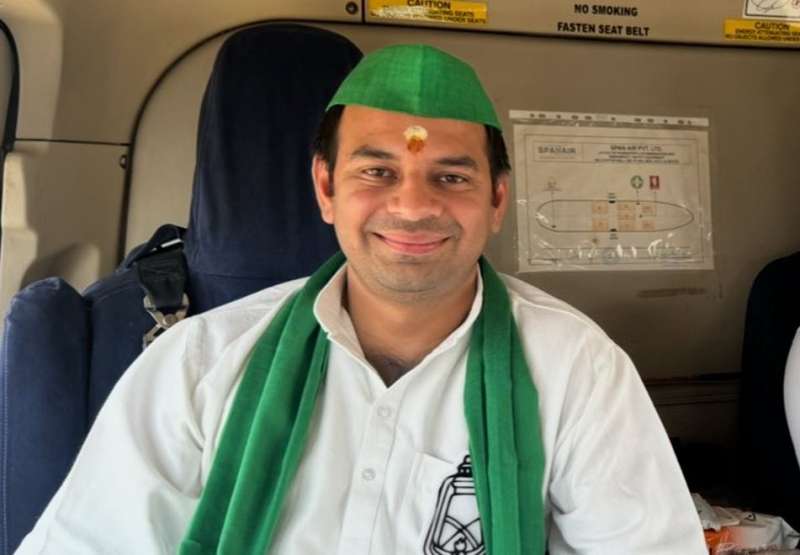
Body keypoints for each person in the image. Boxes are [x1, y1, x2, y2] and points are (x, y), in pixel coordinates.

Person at [16, 44, 706, 554]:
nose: (413, 206)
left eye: (451, 177)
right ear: (326, 188)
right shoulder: (197, 364)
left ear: (497, 199)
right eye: (377, 171)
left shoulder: (578, 371)